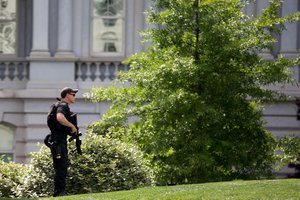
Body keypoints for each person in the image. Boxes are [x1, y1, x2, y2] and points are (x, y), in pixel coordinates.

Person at [49, 87, 78, 197]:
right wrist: (72, 126)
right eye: (73, 94)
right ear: (67, 95)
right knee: (61, 166)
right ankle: (59, 192)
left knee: (59, 166)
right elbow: (59, 117)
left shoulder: (56, 105)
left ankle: (59, 192)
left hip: (56, 140)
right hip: (59, 141)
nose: (75, 96)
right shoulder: (63, 106)